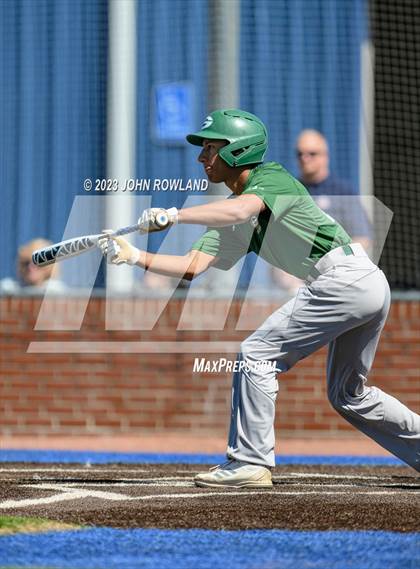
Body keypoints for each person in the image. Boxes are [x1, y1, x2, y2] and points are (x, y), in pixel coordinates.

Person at [98, 109, 420, 484]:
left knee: (256, 354)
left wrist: (176, 216)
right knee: (347, 394)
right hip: (360, 283)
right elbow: (192, 265)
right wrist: (134, 256)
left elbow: (243, 208)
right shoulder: (232, 217)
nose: (202, 157)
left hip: (344, 277)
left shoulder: (271, 177)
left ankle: (250, 461)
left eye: (211, 148)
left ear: (238, 150)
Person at [272, 129, 372, 294]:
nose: (305, 159)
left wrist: (333, 265)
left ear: (325, 156)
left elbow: (361, 238)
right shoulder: (289, 192)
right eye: (300, 154)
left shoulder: (343, 192)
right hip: (296, 281)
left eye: (312, 153)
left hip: (336, 276)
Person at [0, 238, 66, 295]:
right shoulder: (8, 289)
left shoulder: (58, 293)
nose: (30, 267)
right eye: (26, 263)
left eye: (37, 262)